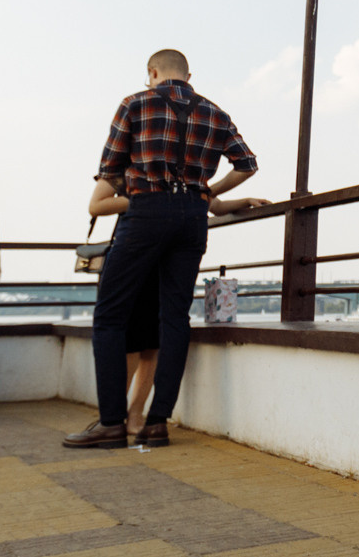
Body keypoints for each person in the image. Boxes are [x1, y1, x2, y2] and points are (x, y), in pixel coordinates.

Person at [66, 50, 256, 449]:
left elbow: (110, 168)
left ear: (152, 72)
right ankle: (156, 423)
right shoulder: (215, 112)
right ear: (190, 75)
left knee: (110, 315)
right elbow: (246, 164)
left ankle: (112, 422)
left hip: (148, 211)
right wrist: (207, 192)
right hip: (192, 217)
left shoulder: (135, 102)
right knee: (174, 318)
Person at [87, 180, 274, 437]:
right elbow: (96, 205)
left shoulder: (184, 165)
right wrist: (152, 201)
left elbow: (212, 204)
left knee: (152, 342)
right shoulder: (130, 161)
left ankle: (135, 414)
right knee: (129, 341)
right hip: (131, 256)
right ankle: (114, 417)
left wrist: (244, 201)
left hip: (165, 260)